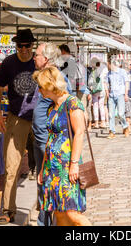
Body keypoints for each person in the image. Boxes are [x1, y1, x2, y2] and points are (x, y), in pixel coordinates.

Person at [33, 66, 91, 226]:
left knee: (72, 213)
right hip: (52, 168)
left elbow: (79, 133)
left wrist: (74, 165)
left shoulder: (72, 103)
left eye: (41, 87)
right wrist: (43, 168)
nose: (39, 91)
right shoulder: (52, 107)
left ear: (50, 86)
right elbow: (50, 139)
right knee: (58, 212)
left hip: (66, 167)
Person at [0, 29, 37, 225]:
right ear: (16, 45)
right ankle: (8, 209)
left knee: (46, 165)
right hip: (16, 118)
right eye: (21, 46)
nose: (24, 49)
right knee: (12, 165)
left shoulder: (39, 62)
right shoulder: (9, 62)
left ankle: (47, 209)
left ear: (32, 46)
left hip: (39, 119)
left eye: (28, 46)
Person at [32, 42, 72, 226]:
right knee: (44, 187)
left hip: (49, 144)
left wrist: (49, 143)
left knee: (50, 189)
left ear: (46, 59)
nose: (34, 57)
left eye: (37, 54)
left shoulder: (58, 80)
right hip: (43, 141)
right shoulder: (45, 77)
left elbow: (67, 111)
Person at [105, 59, 131, 139]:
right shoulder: (108, 73)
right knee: (111, 115)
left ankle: (125, 127)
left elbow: (126, 82)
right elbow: (105, 82)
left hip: (120, 95)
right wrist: (107, 93)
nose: (108, 66)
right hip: (112, 96)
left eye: (109, 64)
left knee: (120, 114)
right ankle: (112, 131)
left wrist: (126, 94)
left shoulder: (122, 72)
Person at [89, 61, 106, 129]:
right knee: (101, 106)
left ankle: (96, 123)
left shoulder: (93, 73)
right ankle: (103, 122)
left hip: (95, 91)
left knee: (95, 106)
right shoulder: (103, 72)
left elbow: (90, 82)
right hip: (102, 91)